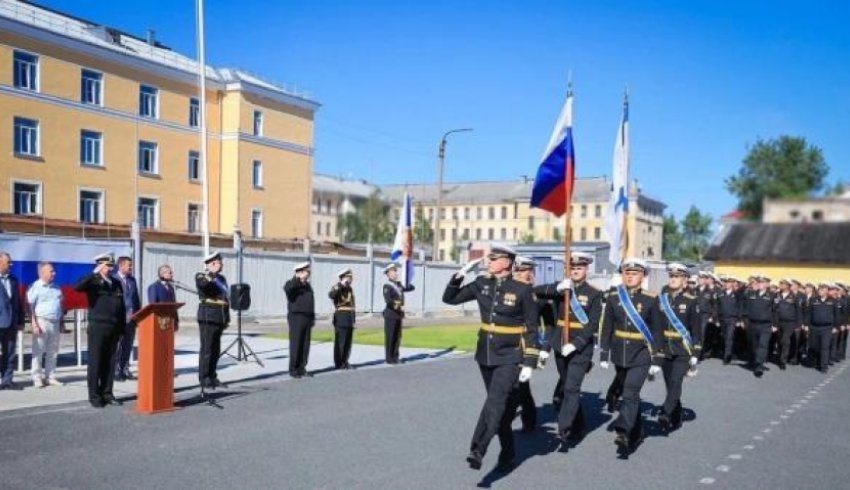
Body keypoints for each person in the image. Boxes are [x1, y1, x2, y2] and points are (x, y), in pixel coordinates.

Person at [442, 244, 540, 472]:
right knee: (500, 412)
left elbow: (533, 329)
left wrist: (529, 361)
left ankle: (478, 450)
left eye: (494, 258)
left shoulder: (523, 290)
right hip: (485, 353)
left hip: (510, 355)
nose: (489, 260)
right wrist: (460, 274)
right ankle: (508, 453)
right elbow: (450, 299)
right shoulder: (481, 284)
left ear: (506, 262)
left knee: (495, 403)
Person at [534, 251, 601, 444]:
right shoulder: (561, 289)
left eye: (579, 268)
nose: (576, 271)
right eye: (572, 268)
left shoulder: (594, 293)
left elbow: (593, 324)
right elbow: (536, 291)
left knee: (572, 388)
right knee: (567, 385)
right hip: (559, 345)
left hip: (580, 348)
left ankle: (564, 427)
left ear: (586, 269)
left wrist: (576, 344)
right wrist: (557, 287)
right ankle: (578, 424)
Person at [599, 258, 664, 451]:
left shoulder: (651, 299)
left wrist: (657, 358)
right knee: (630, 396)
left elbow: (658, 330)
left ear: (643, 276)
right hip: (620, 352)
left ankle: (623, 431)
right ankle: (636, 433)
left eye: (634, 273)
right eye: (627, 273)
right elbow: (607, 327)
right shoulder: (614, 297)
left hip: (641, 353)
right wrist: (604, 352)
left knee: (630, 392)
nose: (630, 276)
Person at [74, 253, 125, 407]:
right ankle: (95, 396)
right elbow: (77, 287)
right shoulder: (93, 282)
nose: (110, 269)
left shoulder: (116, 283)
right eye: (107, 266)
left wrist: (122, 328)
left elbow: (121, 307)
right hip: (98, 327)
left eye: (111, 266)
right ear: (100, 266)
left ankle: (107, 393)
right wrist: (94, 272)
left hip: (113, 326)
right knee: (96, 362)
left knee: (110, 363)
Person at [658, 263, 701, 432]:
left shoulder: (691, 301)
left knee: (676, 382)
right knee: (670, 385)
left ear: (685, 281)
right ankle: (677, 416)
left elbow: (696, 329)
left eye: (677, 277)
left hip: (683, 349)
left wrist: (696, 352)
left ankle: (665, 413)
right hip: (665, 349)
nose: (673, 279)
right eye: (671, 276)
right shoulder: (662, 298)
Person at [511, 257, 541, 433]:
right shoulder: (508, 289)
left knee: (521, 386)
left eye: (528, 270)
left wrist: (542, 349)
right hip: (506, 343)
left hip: (525, 343)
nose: (525, 274)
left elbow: (545, 323)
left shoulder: (535, 294)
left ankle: (529, 420)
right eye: (521, 271)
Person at [195, 251, 230, 390]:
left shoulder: (222, 278)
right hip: (208, 316)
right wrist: (211, 273)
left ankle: (212, 376)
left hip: (219, 317)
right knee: (207, 349)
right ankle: (204, 378)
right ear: (212, 263)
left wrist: (226, 318)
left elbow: (225, 299)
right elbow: (204, 286)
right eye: (219, 262)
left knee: (216, 350)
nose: (221, 264)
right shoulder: (201, 276)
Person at [27, 262, 65, 388]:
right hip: (41, 321)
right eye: (51, 271)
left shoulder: (56, 287)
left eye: (53, 271)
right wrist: (34, 324)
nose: (54, 273)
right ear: (42, 273)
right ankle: (37, 377)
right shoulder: (35, 287)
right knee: (38, 351)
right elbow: (30, 306)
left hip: (55, 322)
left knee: (53, 351)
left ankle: (50, 377)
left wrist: (62, 323)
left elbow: (60, 305)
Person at [284, 261, 315, 378]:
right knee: (296, 343)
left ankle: (302, 368)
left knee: (305, 345)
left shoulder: (307, 286)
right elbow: (288, 289)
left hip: (307, 317)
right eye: (307, 270)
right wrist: (297, 279)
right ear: (300, 272)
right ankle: (293, 369)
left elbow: (311, 303)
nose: (309, 272)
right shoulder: (291, 284)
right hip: (296, 317)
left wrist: (312, 318)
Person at [113, 256, 141, 382]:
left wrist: (139, 315)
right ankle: (115, 371)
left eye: (131, 265)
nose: (131, 267)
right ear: (121, 265)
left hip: (132, 319)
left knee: (128, 346)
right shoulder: (113, 279)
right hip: (119, 319)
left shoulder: (132, 280)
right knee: (117, 346)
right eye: (129, 265)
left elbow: (135, 299)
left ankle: (125, 369)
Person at [743, 275, 776, 378]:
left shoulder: (772, 296)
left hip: (765, 324)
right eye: (758, 282)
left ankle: (759, 366)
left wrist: (775, 324)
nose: (759, 284)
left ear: (767, 284)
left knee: (763, 344)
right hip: (753, 323)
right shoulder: (751, 294)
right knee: (754, 345)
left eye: (762, 283)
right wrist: (745, 321)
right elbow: (746, 307)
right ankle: (756, 361)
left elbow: (776, 311)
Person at [0, 252, 25, 390]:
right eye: (8, 262)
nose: (11, 265)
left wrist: (21, 321)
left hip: (11, 323)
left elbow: (17, 302)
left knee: (9, 353)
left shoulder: (13, 280)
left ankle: (7, 380)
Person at [382, 263, 414, 365]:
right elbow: (389, 301)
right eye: (393, 271)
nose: (395, 273)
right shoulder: (387, 286)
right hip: (391, 314)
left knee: (397, 336)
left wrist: (406, 280)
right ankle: (389, 358)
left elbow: (412, 287)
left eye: (395, 271)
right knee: (390, 337)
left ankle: (395, 357)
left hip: (398, 314)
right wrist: (399, 305)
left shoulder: (399, 285)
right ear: (388, 274)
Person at [805, 283, 839, 373]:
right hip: (814, 327)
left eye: (823, 289)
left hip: (827, 328)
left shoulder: (833, 301)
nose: (820, 291)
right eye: (820, 289)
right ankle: (816, 362)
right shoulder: (813, 300)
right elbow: (808, 313)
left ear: (827, 291)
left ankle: (824, 366)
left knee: (825, 347)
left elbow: (837, 315)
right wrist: (806, 325)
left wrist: (836, 326)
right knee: (814, 346)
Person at [328, 268, 356, 370]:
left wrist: (353, 320)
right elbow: (331, 295)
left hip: (349, 318)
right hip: (341, 317)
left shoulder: (350, 289)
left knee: (348, 342)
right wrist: (340, 285)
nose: (351, 279)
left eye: (351, 277)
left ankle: (345, 361)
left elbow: (352, 305)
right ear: (343, 277)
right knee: (341, 342)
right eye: (349, 277)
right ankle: (339, 363)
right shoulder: (337, 287)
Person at [775, 279, 801, 370]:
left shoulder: (794, 296)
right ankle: (779, 356)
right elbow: (774, 308)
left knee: (785, 340)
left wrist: (798, 324)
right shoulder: (777, 295)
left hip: (790, 322)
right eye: (780, 283)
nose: (780, 285)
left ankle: (783, 361)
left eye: (782, 284)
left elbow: (798, 311)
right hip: (779, 321)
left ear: (787, 286)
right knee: (779, 340)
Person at [718, 275, 743, 365]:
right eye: (726, 282)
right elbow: (718, 306)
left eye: (728, 283)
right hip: (722, 318)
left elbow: (740, 307)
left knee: (729, 337)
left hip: (732, 318)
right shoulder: (721, 293)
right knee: (724, 337)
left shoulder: (737, 294)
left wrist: (739, 319)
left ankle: (727, 356)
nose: (726, 284)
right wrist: (717, 318)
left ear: (732, 284)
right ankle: (727, 352)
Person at [147, 264, 179, 331]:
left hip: (170, 321)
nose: (172, 274)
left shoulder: (171, 287)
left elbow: (173, 305)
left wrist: (176, 320)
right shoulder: (154, 287)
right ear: (162, 274)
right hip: (160, 323)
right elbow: (153, 305)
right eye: (170, 273)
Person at [695, 271, 718, 360]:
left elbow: (715, 305)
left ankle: (699, 354)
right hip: (695, 315)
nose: (699, 280)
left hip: (705, 315)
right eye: (699, 278)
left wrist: (712, 316)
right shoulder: (695, 290)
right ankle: (694, 352)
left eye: (701, 279)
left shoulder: (710, 291)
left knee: (701, 334)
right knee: (694, 334)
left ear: (705, 280)